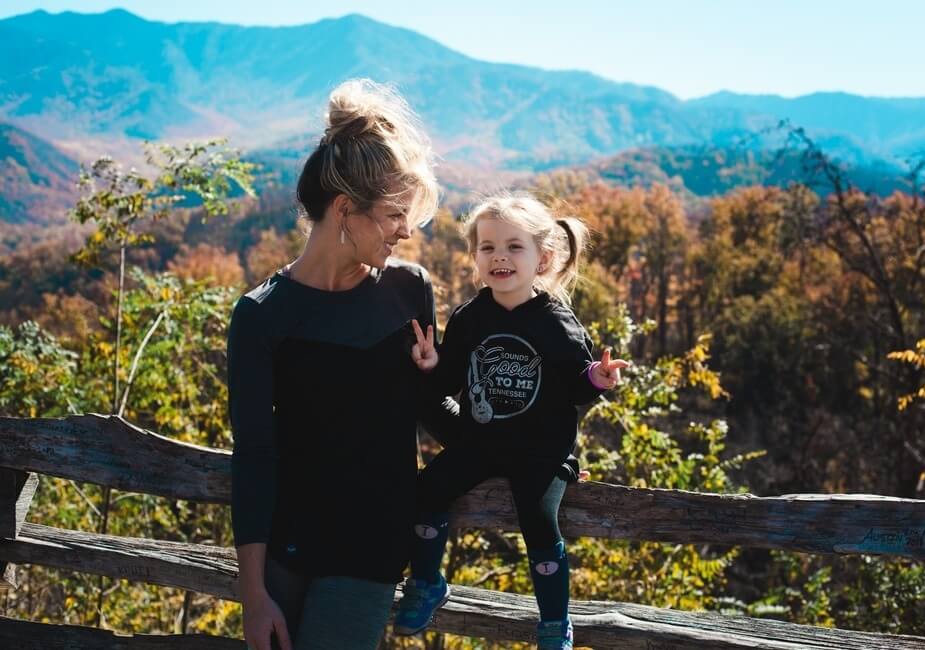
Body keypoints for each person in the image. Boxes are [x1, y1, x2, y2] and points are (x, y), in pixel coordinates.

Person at [227, 78, 441, 650]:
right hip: (282, 554)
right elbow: (253, 455)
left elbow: (440, 421)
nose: (406, 230)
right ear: (345, 209)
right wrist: (253, 593)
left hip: (369, 555)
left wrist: (541, 444)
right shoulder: (261, 315)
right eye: (394, 214)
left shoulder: (409, 293)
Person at [396, 194, 628, 649]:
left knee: (539, 520)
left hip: (539, 450)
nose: (499, 256)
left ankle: (554, 622)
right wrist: (429, 366)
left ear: (542, 259)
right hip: (480, 441)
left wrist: (597, 378)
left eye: (513, 247)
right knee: (428, 489)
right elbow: (449, 381)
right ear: (476, 258)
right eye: (487, 247)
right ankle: (426, 582)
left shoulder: (556, 324)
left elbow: (576, 389)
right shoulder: (470, 318)